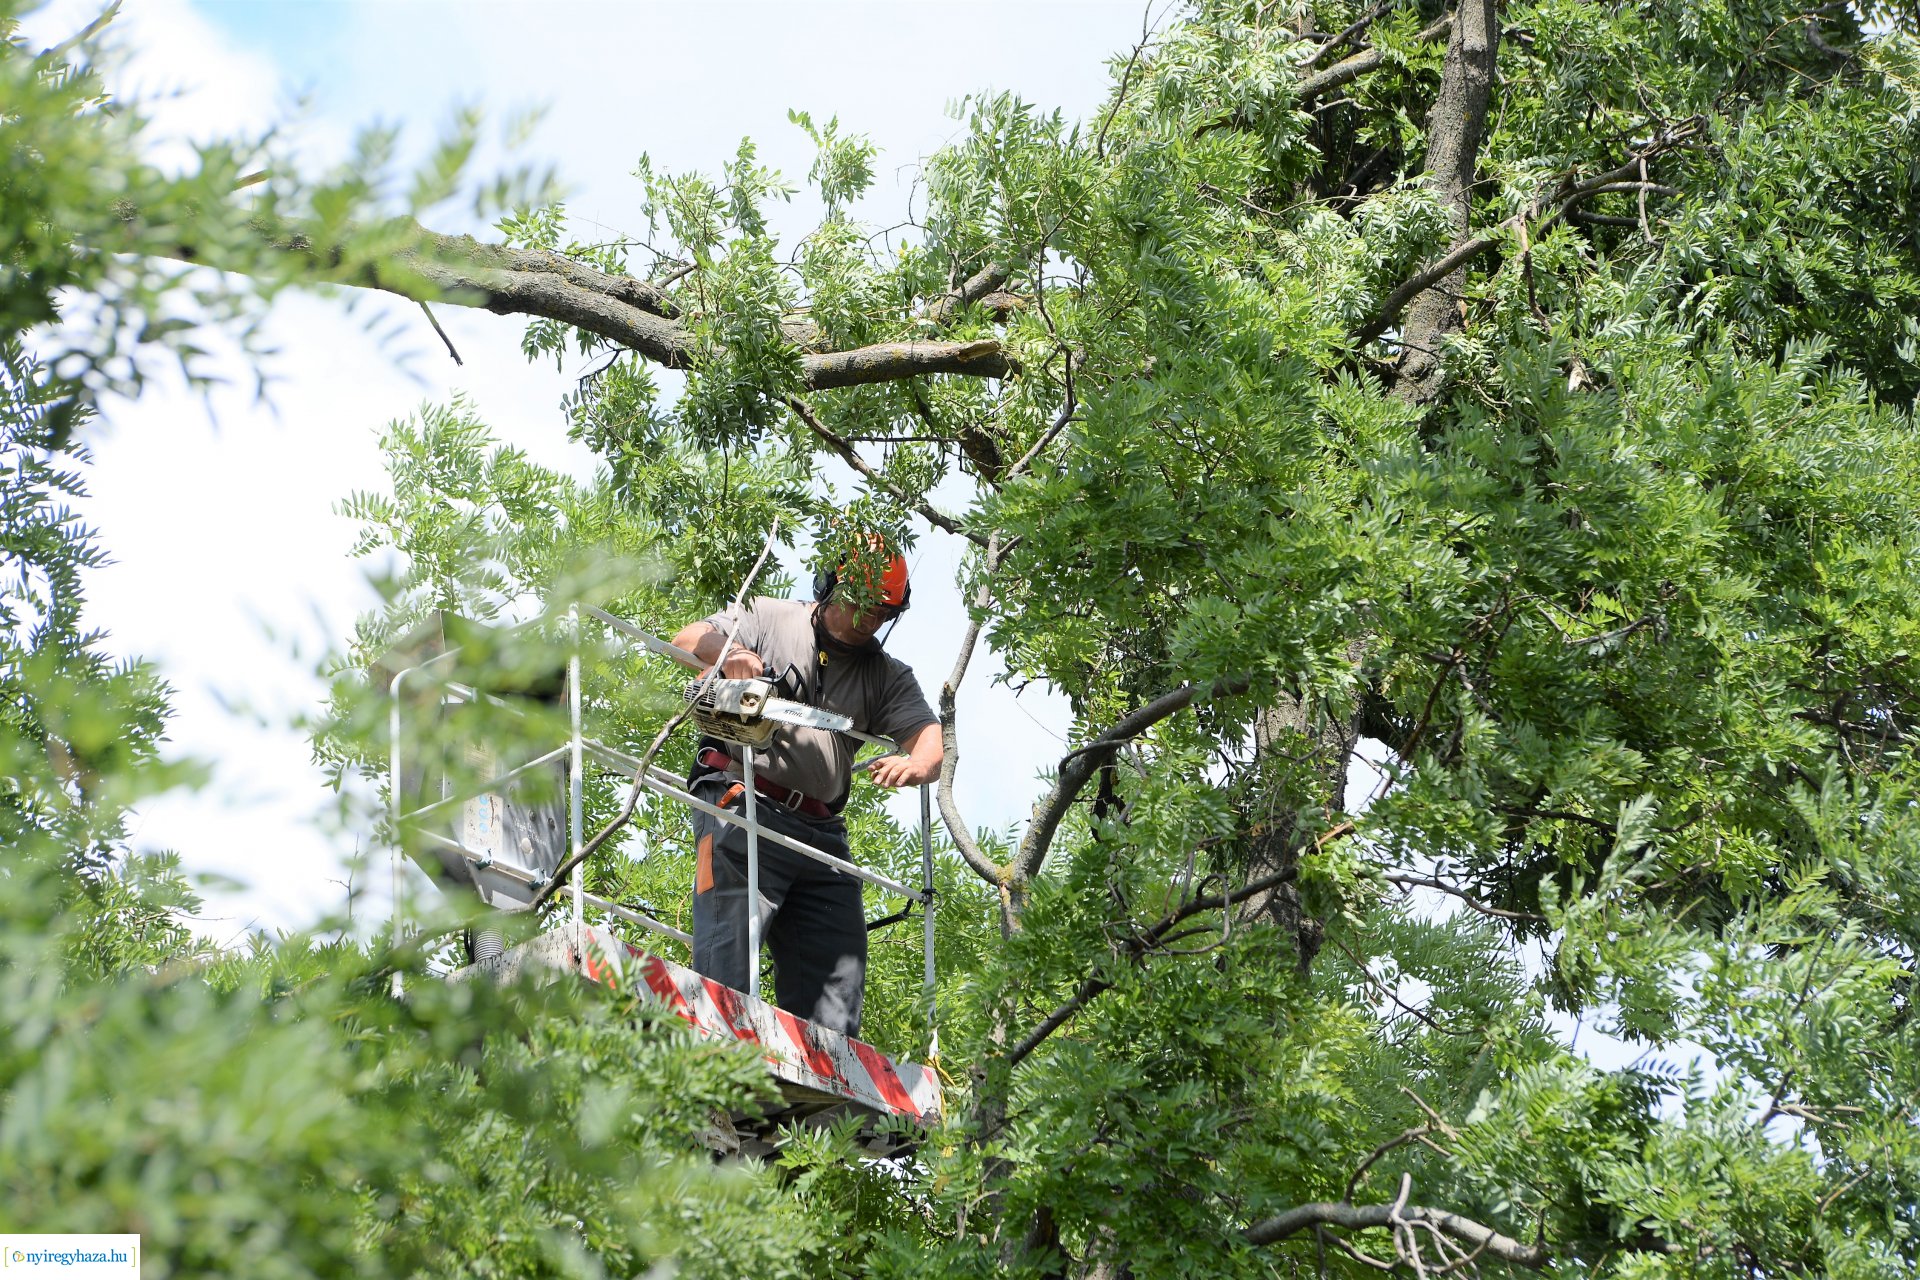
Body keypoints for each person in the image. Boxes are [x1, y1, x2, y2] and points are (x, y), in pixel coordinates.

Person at [669, 544, 942, 1037]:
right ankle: (714, 1064)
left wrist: (920, 762)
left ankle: (822, 1095)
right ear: (832, 584)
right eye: (861, 602)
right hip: (742, 797)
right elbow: (690, 637)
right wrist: (732, 655)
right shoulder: (770, 618)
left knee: (838, 972)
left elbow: (928, 740)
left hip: (820, 835)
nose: (868, 619)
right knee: (730, 946)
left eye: (882, 611)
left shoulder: (886, 676)